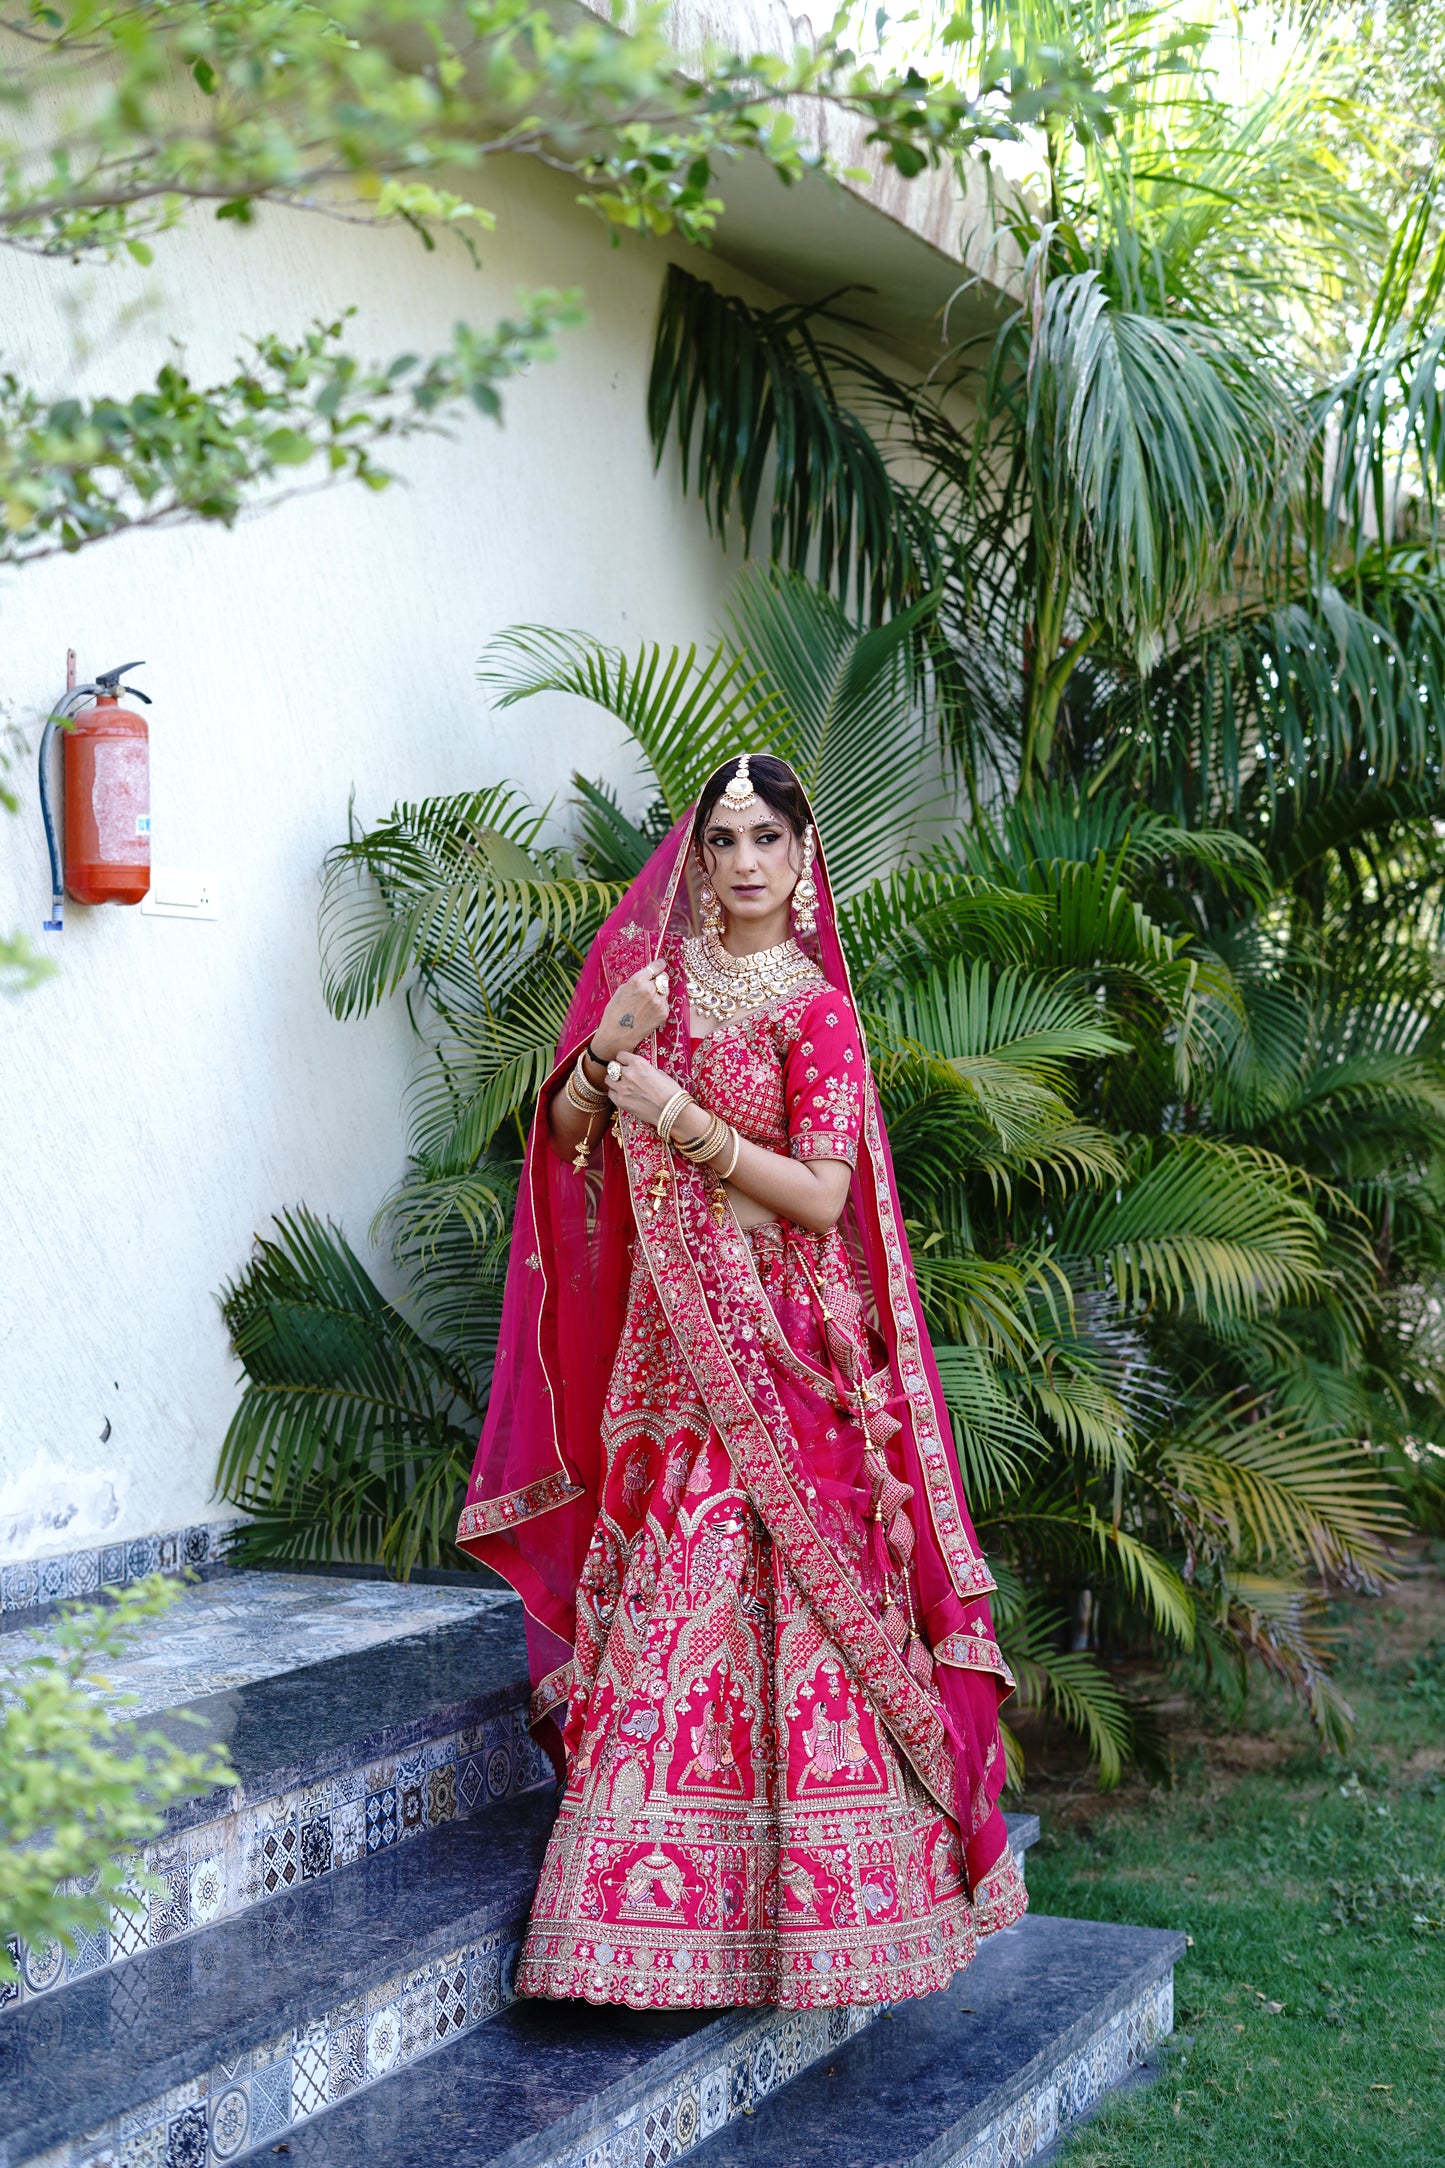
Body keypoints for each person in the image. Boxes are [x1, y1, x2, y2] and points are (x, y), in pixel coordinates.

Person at [457, 753, 1025, 2009]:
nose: (746, 860)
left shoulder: (815, 1011)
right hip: (667, 1359)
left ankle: (830, 1916)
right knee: (672, 1596)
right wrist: (605, 1058)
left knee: (769, 1596)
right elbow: (567, 1145)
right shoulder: (647, 986)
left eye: (767, 835)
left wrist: (678, 1118)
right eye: (722, 839)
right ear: (697, 856)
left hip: (782, 1347)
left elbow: (822, 1197)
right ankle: (635, 1929)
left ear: (800, 852)